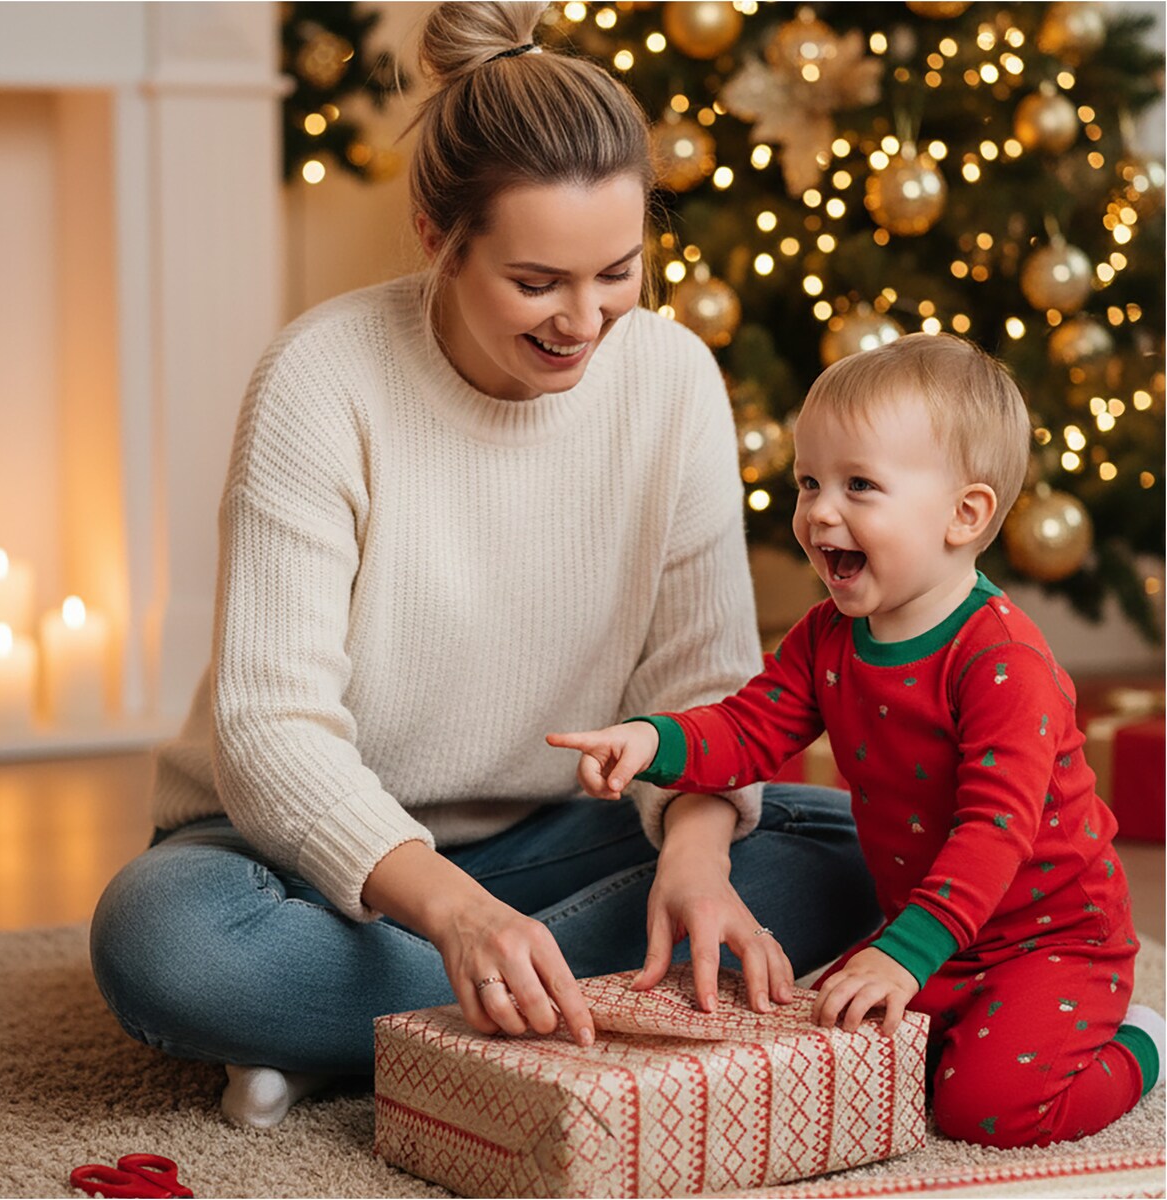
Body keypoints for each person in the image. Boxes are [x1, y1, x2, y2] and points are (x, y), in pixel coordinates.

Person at [88, 0, 879, 1130]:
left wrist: (697, 862)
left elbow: (702, 688)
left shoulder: (672, 379)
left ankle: (375, 1030)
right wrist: (456, 917)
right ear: (435, 236)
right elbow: (272, 734)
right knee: (164, 943)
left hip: (567, 836)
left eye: (618, 270)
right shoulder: (323, 381)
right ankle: (549, 999)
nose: (585, 320)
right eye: (536, 282)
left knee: (862, 850)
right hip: (311, 863)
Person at [549, 333, 1165, 1149]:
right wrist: (649, 740)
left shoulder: (1002, 661)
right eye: (809, 482)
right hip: (932, 926)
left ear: (965, 514)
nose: (819, 511)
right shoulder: (826, 638)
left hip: (1051, 941)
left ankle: (1140, 1042)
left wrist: (901, 957)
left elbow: (994, 833)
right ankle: (952, 1011)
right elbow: (745, 729)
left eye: (859, 485)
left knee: (982, 1112)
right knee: (828, 1058)